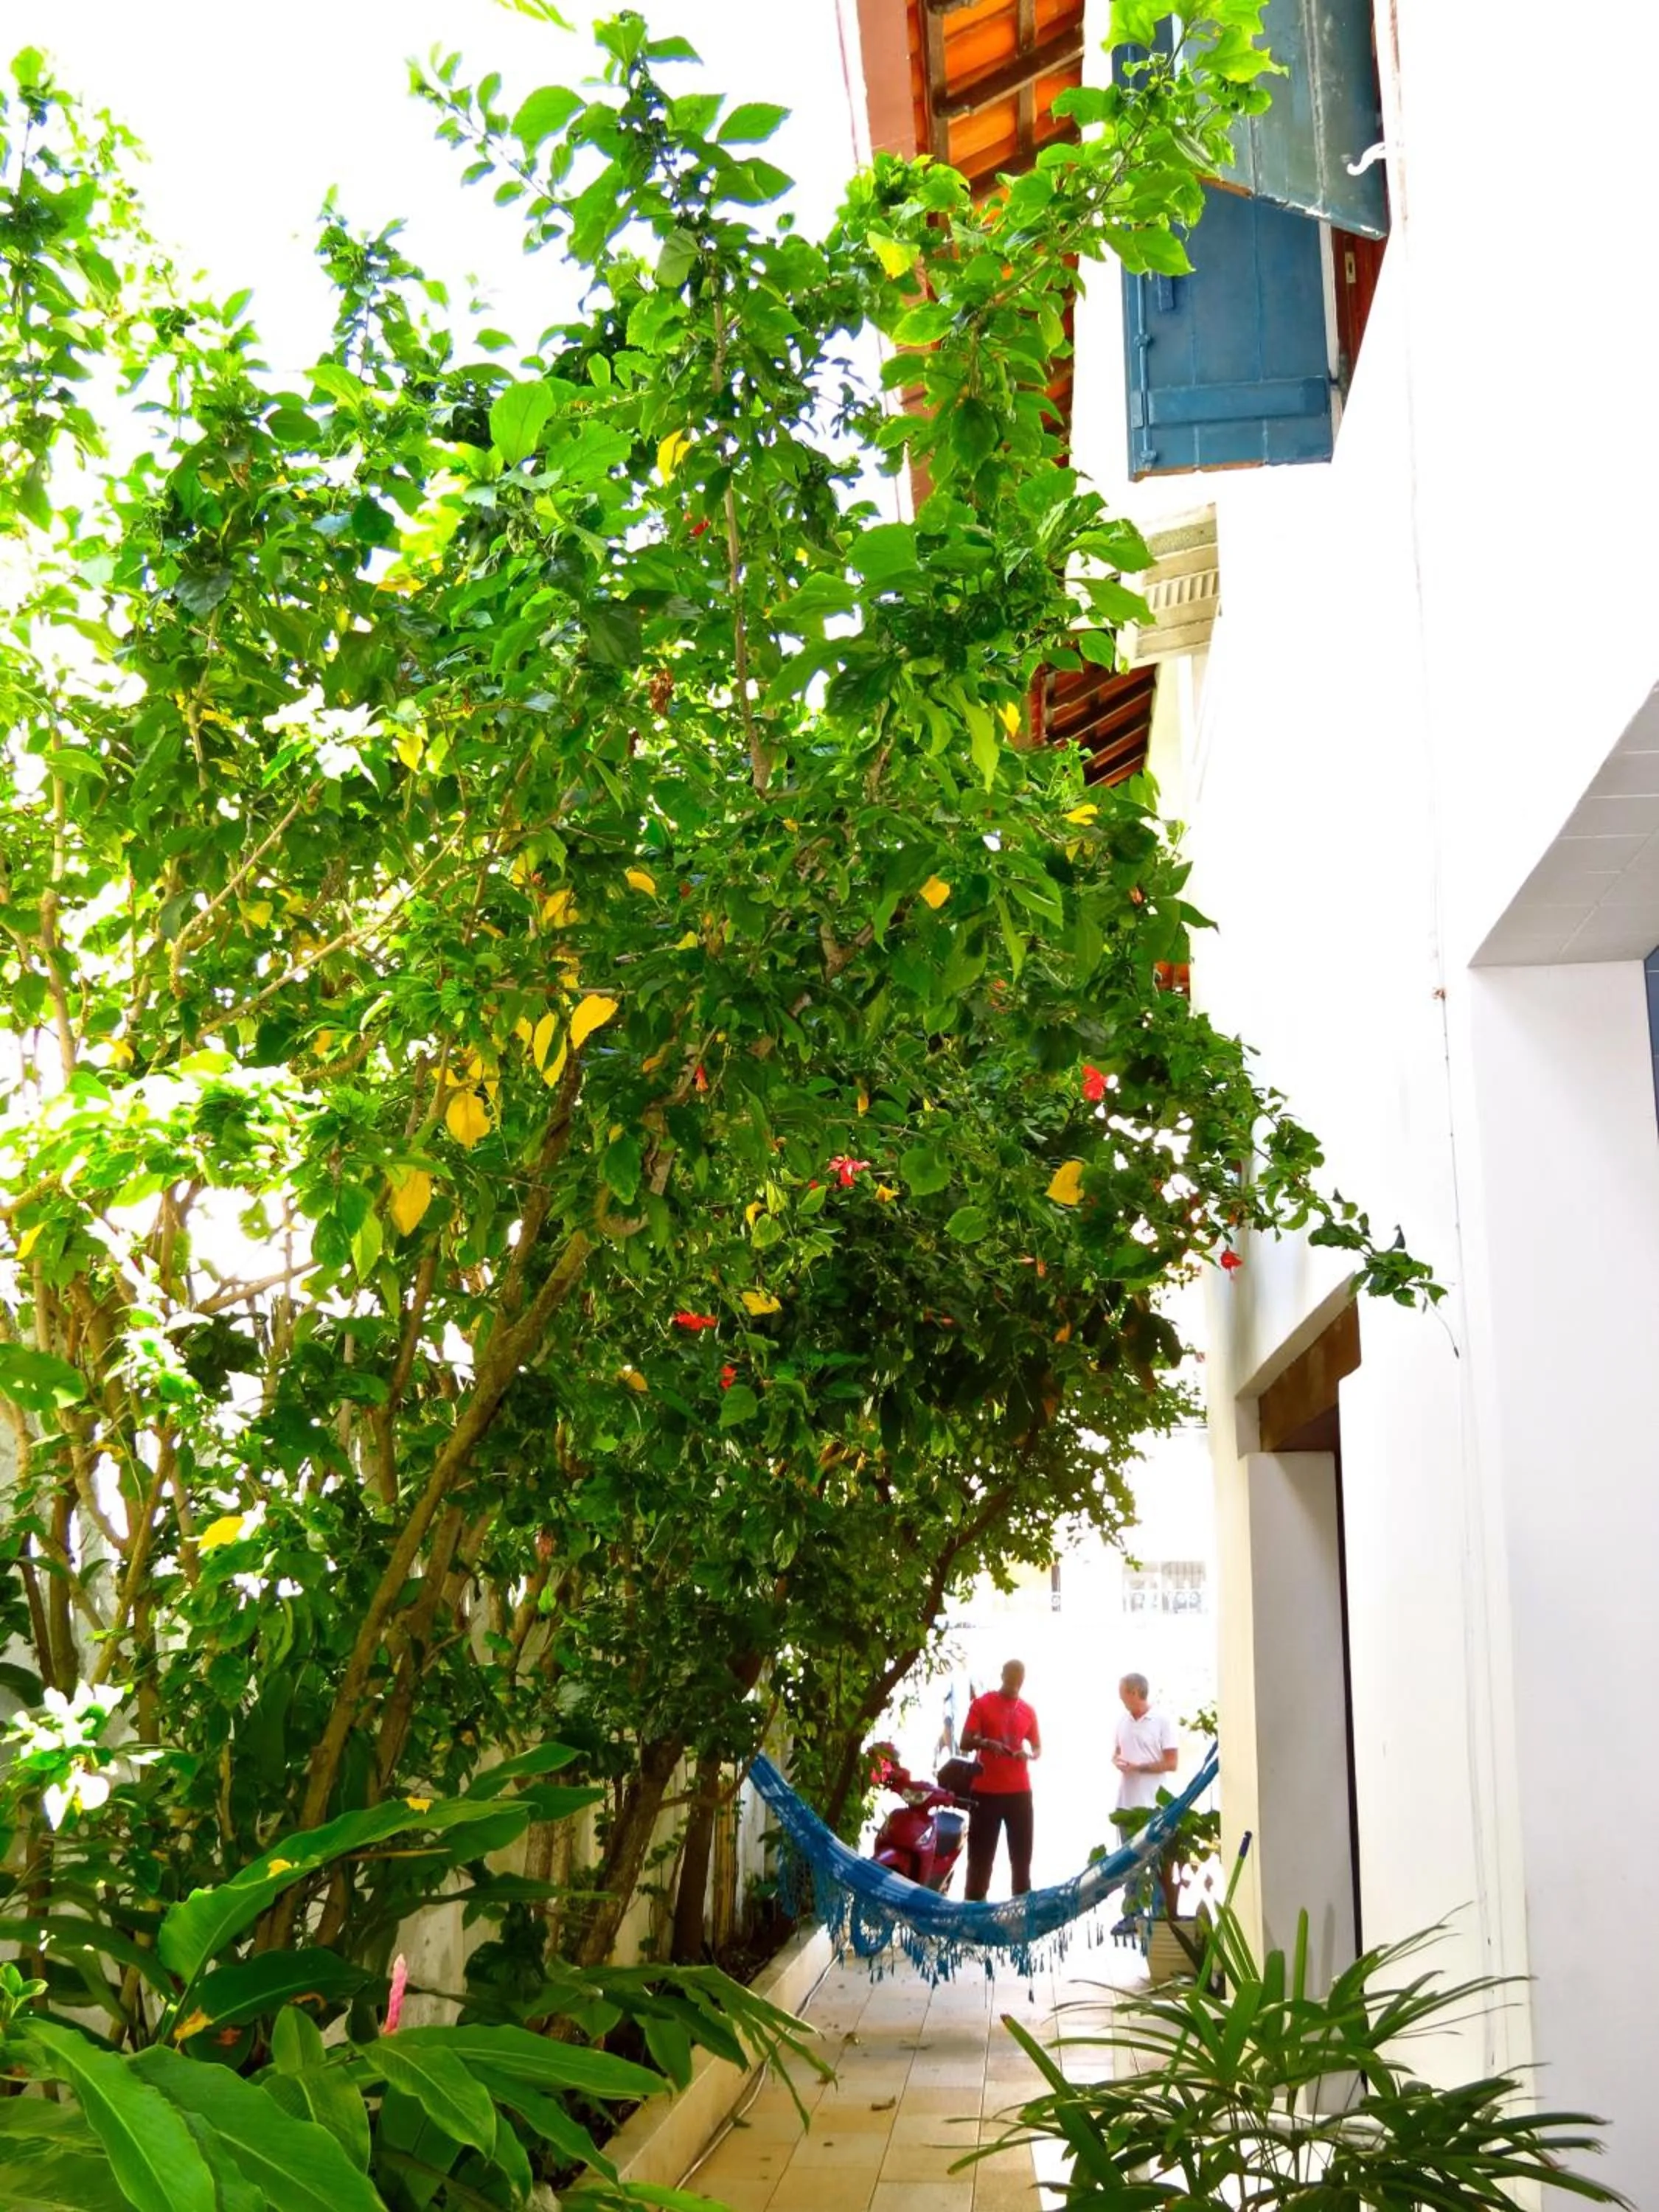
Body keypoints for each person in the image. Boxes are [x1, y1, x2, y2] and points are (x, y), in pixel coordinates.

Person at [961, 1659, 1041, 1899]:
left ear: (1023, 1681)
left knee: (1021, 1859)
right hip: (986, 1792)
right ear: (1002, 1676)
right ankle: (974, 1913)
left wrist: (1029, 1754)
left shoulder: (1028, 1710)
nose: (1014, 1684)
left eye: (1019, 1681)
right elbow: (965, 1741)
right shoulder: (982, 1704)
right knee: (980, 1861)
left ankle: (1021, 1911)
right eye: (1010, 1679)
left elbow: (1037, 1746)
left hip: (1020, 1793)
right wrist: (986, 1743)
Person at [1113, 1672, 1178, 1811]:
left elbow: (1172, 1763)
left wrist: (1137, 1768)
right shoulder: (1122, 1721)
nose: (1120, 1698)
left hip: (1153, 1806)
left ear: (1134, 1693)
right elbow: (1117, 1753)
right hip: (1125, 1806)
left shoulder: (1162, 1721)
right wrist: (1117, 1761)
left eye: (1122, 1693)